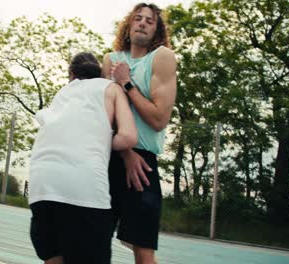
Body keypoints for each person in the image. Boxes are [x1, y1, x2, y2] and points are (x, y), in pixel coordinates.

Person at [29, 52, 138, 264]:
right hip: (83, 188)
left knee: (54, 257)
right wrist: (102, 141)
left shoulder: (62, 93)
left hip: (41, 185)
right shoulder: (111, 88)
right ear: (99, 72)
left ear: (71, 74)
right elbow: (128, 137)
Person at [101, 3, 177, 264]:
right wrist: (125, 152)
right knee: (95, 242)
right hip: (111, 157)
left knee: (144, 253)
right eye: (138, 18)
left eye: (150, 21)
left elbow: (159, 119)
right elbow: (104, 118)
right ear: (129, 24)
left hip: (143, 165)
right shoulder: (111, 60)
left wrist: (126, 83)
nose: (143, 23)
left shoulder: (162, 57)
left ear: (156, 30)